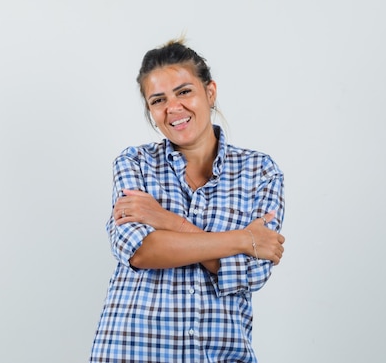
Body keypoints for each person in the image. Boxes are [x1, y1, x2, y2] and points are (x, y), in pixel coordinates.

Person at [89, 39, 286, 362]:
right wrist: (242, 239)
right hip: (131, 352)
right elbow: (140, 251)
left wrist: (166, 221)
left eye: (184, 92)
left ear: (210, 92)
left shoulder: (260, 172)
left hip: (220, 355)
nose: (173, 108)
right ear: (151, 112)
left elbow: (250, 273)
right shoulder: (134, 163)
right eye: (158, 100)